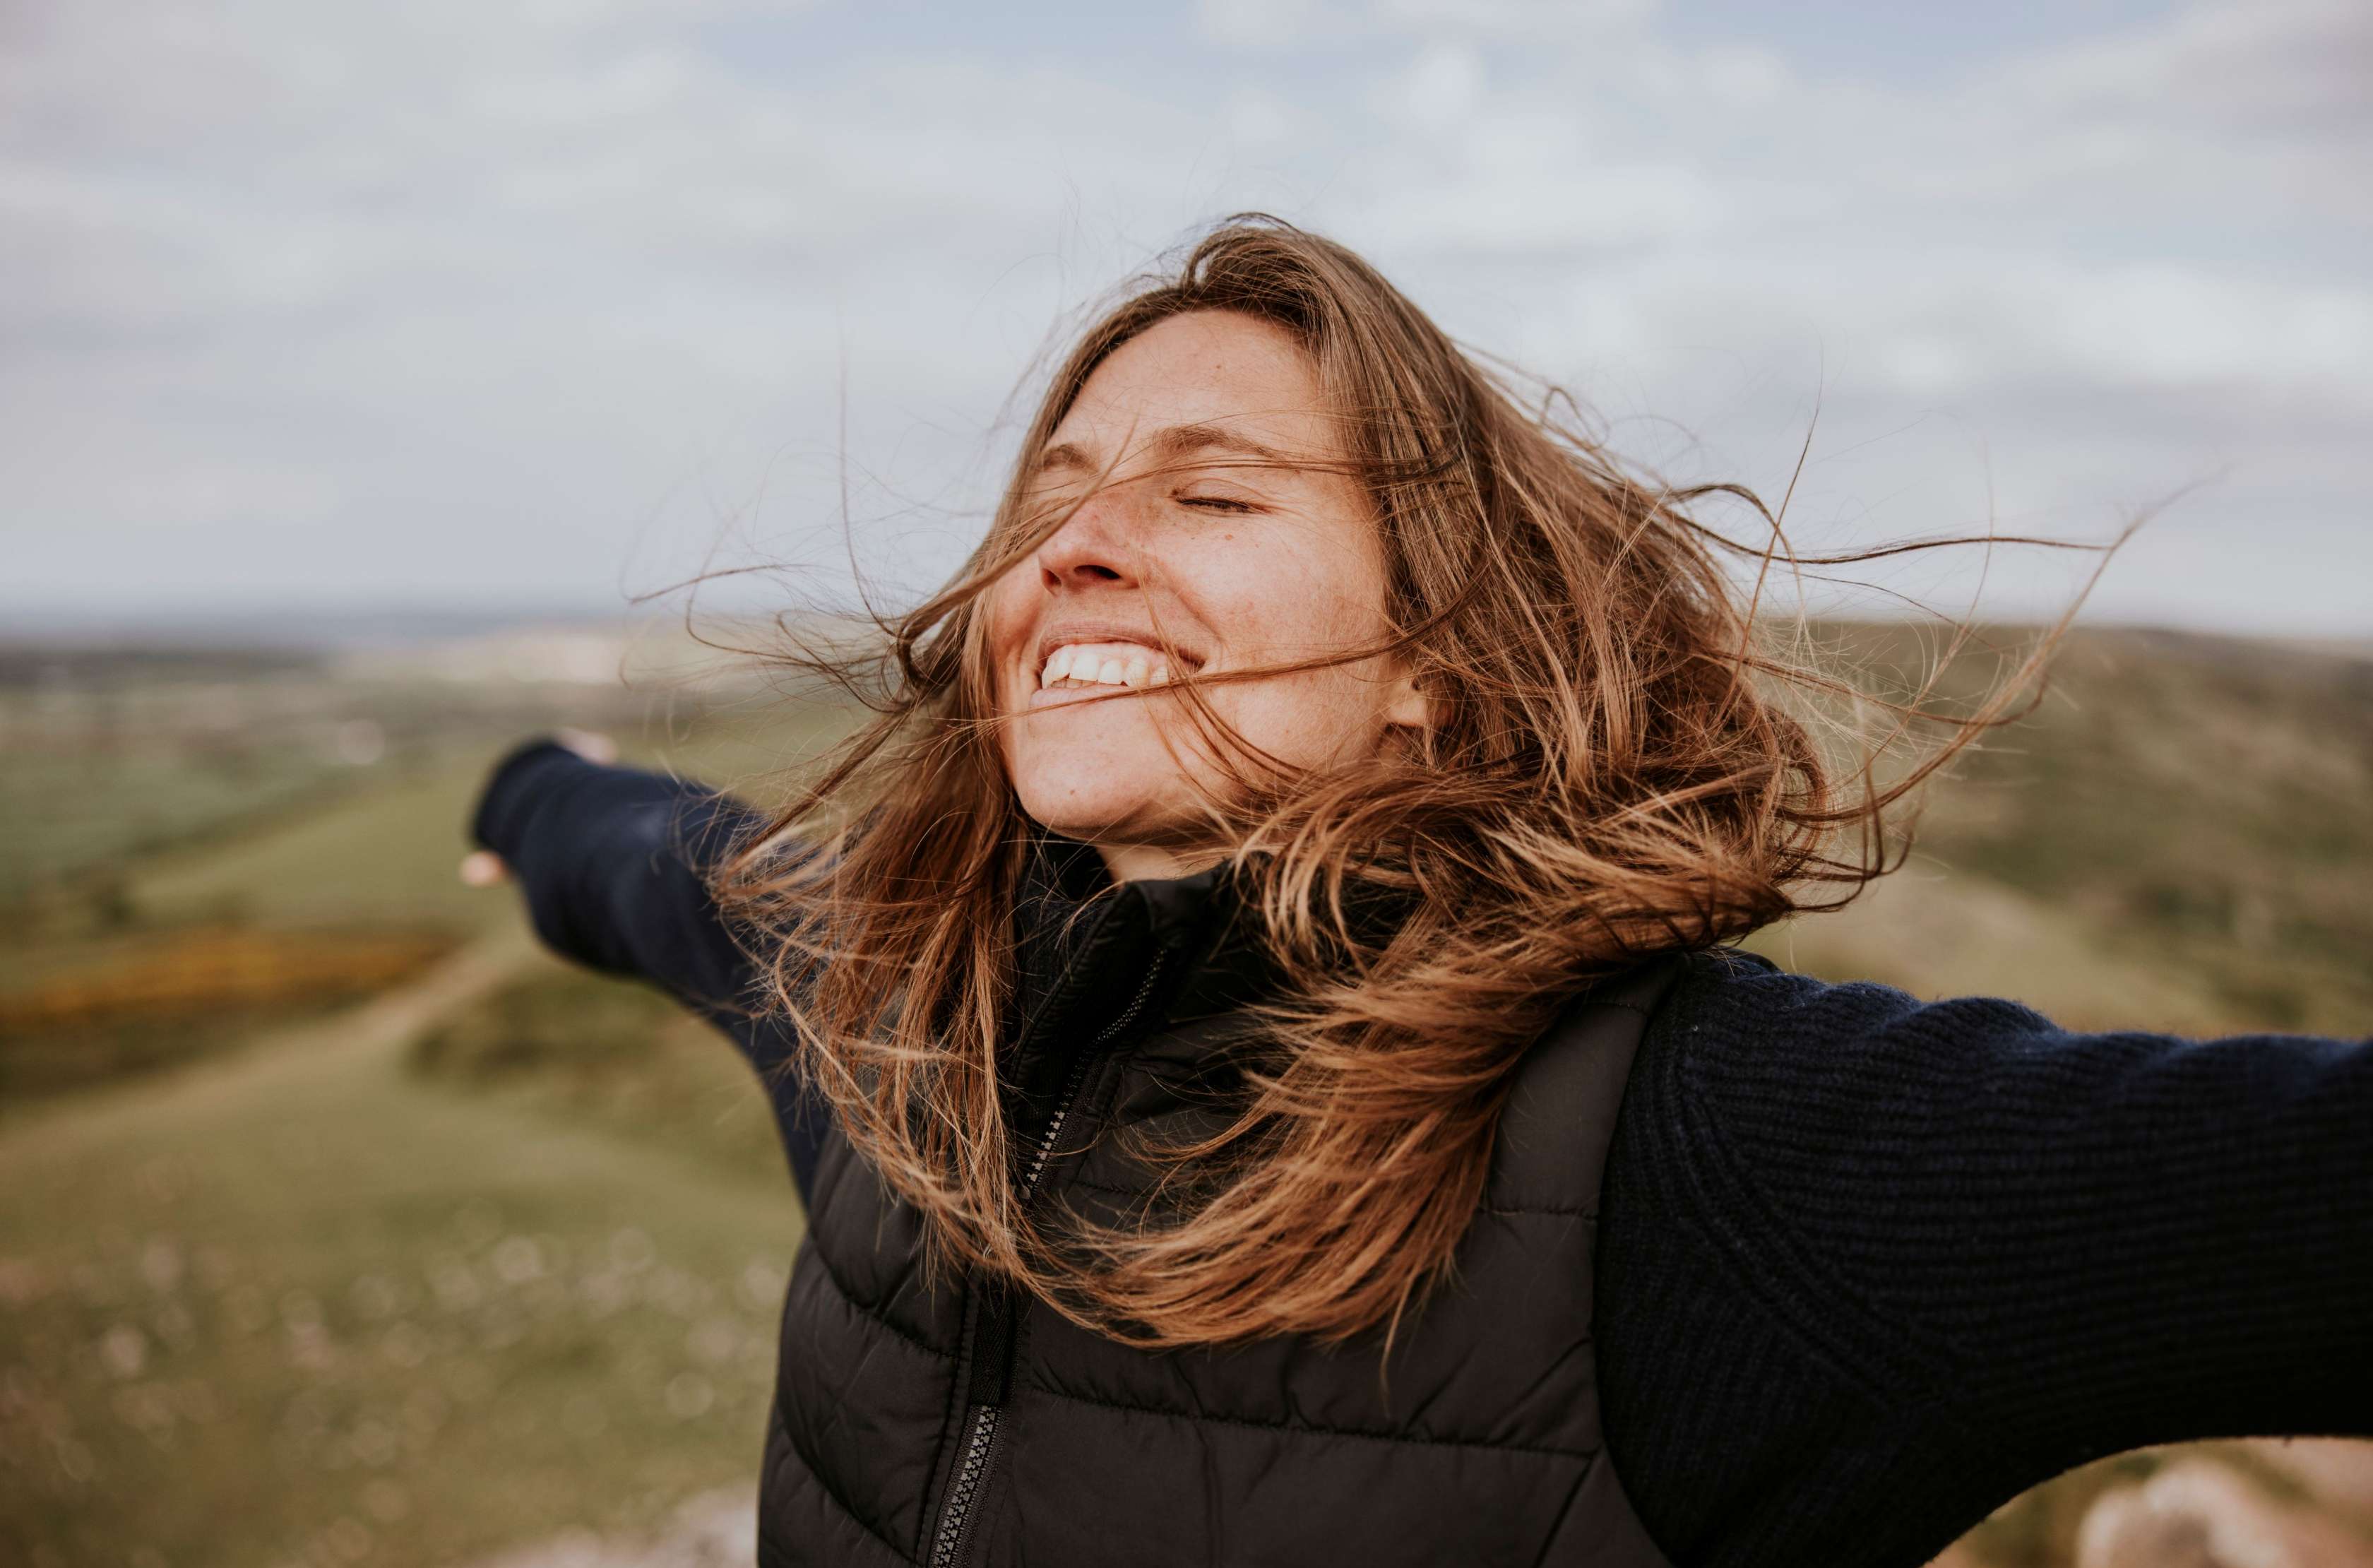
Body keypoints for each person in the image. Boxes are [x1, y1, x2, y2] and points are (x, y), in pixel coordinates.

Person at [460, 218, 2372, 1568]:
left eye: (1212, 498)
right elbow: (671, 873)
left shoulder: (1684, 1147)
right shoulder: (896, 1003)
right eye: (1049, 501)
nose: (1081, 551)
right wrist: (531, 794)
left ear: (1432, 659)